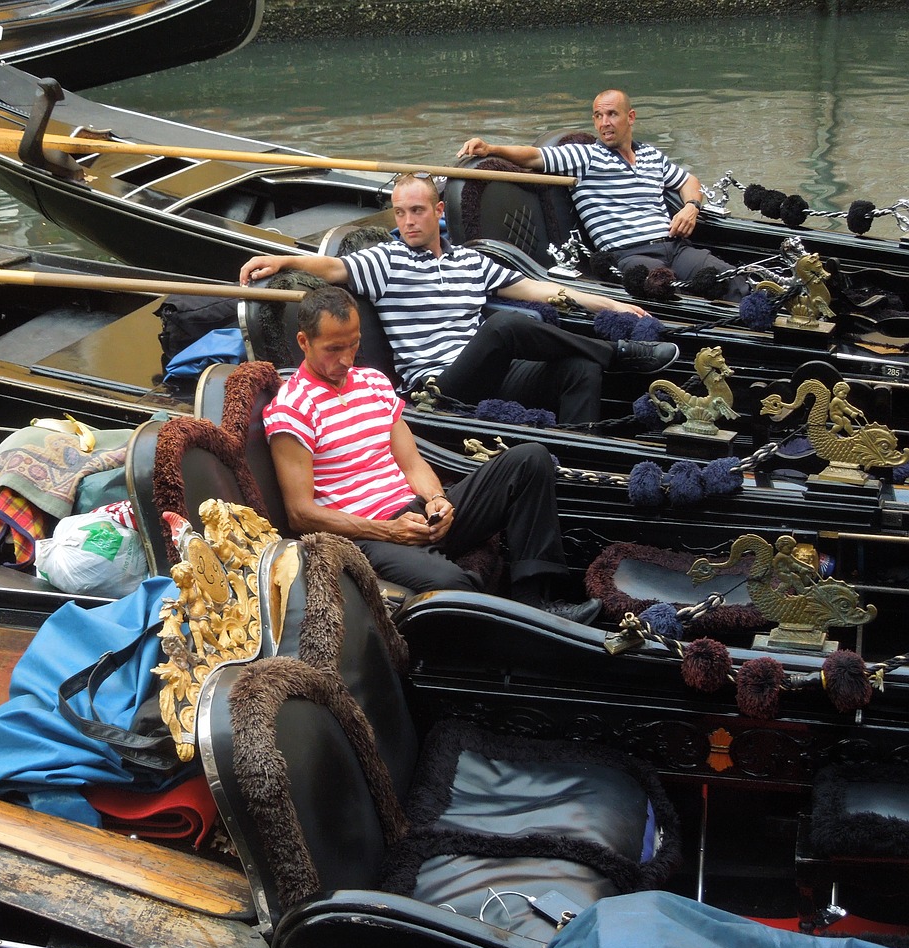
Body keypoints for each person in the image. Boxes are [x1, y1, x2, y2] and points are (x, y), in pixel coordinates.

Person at [262, 284, 602, 624]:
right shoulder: (291, 409)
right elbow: (300, 514)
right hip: (366, 535)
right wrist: (387, 530)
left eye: (353, 345)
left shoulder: (374, 383)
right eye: (333, 349)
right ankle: (509, 630)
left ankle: (537, 601)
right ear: (304, 342)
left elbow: (412, 463)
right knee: (452, 586)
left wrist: (437, 500)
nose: (347, 359)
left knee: (529, 459)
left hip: (416, 514)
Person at [238, 171, 675, 425]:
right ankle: (618, 353)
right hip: (440, 388)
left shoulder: (470, 262)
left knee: (578, 370)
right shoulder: (386, 261)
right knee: (503, 326)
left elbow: (542, 289)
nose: (408, 221)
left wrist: (612, 305)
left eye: (418, 211)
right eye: (401, 212)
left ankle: (583, 450)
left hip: (490, 370)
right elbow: (335, 269)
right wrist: (282, 259)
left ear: (438, 211)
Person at [458, 89, 751, 301]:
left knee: (733, 279)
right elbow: (534, 157)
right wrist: (491, 148)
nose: (604, 122)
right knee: (667, 293)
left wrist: (690, 207)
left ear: (630, 117)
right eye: (598, 116)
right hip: (630, 255)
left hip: (675, 247)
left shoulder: (650, 155)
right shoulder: (584, 157)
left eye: (612, 114)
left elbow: (689, 180)